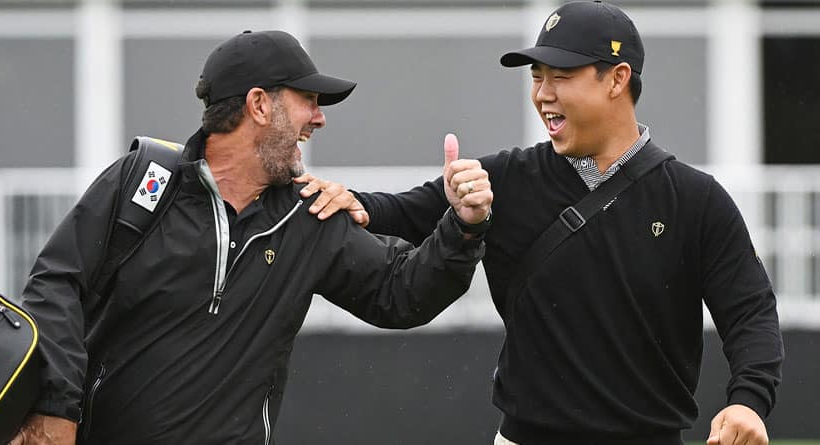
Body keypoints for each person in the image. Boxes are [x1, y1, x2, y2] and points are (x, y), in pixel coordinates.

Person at [298, 2, 784, 445]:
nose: (543, 94)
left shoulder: (696, 200)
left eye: (562, 75)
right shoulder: (506, 177)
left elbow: (750, 312)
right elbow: (396, 211)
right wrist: (350, 200)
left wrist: (748, 401)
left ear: (616, 79)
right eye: (537, 76)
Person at [11, 30, 493, 445]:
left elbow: (400, 293)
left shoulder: (310, 215)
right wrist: (54, 409)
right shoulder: (142, 181)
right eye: (309, 100)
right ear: (259, 104)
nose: (319, 118)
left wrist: (462, 225)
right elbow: (56, 286)